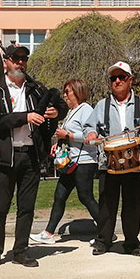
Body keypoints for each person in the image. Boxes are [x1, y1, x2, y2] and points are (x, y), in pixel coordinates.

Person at [0, 43, 66, 268]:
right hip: (5, 157)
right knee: (0, 208)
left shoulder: (35, 87)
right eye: (16, 57)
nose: (20, 62)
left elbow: (61, 105)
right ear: (6, 61)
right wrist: (25, 117)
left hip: (30, 155)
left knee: (26, 207)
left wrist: (56, 112)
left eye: (24, 58)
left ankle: (20, 251)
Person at [84, 61, 140, 257]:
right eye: (113, 78)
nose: (117, 81)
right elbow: (89, 127)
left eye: (121, 77)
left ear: (130, 80)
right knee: (106, 205)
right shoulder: (101, 105)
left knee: (133, 206)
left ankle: (131, 243)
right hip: (108, 164)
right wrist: (91, 134)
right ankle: (103, 241)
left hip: (135, 166)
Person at [30, 79, 99, 244]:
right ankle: (48, 233)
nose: (65, 95)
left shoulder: (86, 110)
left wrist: (67, 136)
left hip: (85, 161)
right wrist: (59, 144)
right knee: (59, 195)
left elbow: (92, 138)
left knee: (85, 196)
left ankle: (106, 230)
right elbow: (67, 135)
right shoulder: (72, 112)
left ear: (77, 92)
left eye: (67, 91)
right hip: (71, 162)